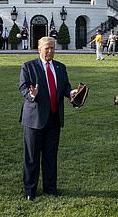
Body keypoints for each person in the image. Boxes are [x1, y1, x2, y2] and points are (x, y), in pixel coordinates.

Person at [19, 36, 78, 200]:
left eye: (53, 48)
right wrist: (31, 95)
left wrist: (71, 92)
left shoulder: (60, 67)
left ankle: (50, 189)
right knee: (31, 157)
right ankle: (30, 190)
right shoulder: (28, 67)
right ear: (39, 48)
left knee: (50, 156)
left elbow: (65, 87)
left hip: (54, 118)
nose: (50, 51)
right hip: (34, 119)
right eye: (47, 48)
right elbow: (23, 87)